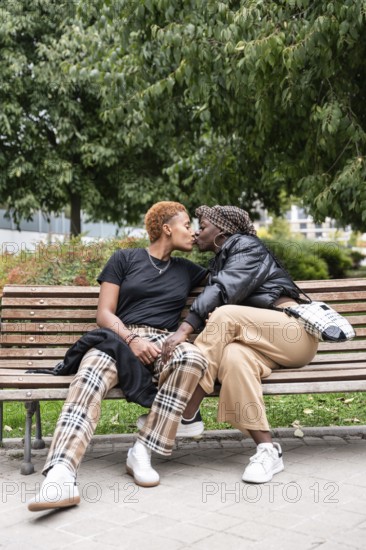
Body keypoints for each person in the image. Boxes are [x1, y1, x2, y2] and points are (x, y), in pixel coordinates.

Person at [27, 201, 208, 512]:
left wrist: (214, 237)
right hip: (118, 337)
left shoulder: (187, 270)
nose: (192, 232)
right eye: (187, 224)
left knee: (192, 358)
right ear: (167, 228)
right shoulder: (125, 259)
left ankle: (142, 449)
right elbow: (104, 314)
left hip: (163, 341)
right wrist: (132, 339)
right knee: (89, 376)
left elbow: (234, 275)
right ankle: (60, 475)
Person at [159, 205, 319, 484]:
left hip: (294, 334)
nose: (198, 231)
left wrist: (183, 330)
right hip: (263, 343)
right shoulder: (224, 258)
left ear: (223, 231)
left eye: (204, 225)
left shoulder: (246, 246)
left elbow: (222, 290)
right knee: (233, 358)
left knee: (224, 314)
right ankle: (267, 450)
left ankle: (185, 411)